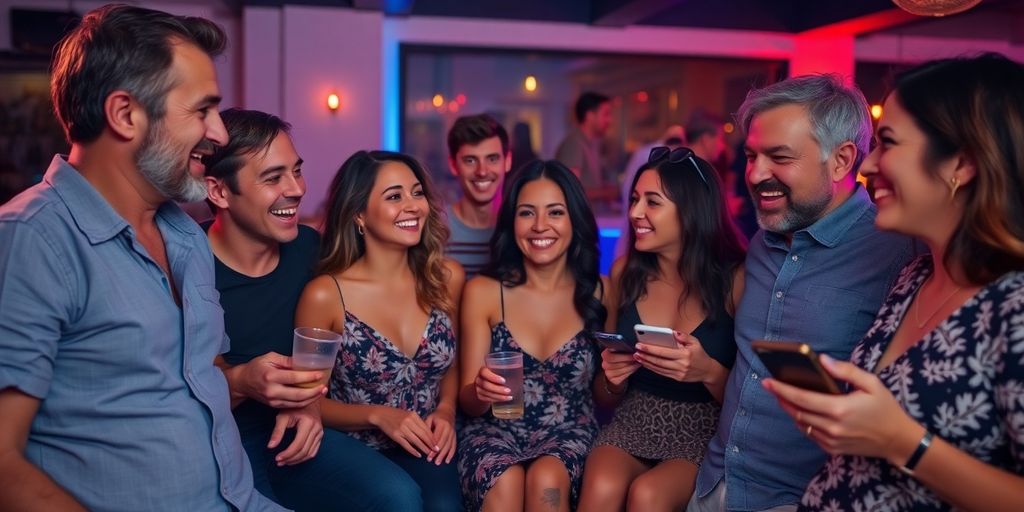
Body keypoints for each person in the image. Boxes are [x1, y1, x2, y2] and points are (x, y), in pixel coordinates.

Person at [0, 5, 281, 510]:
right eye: (202, 111)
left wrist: (266, 388)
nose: (219, 133)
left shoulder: (185, 234)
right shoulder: (31, 238)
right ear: (125, 114)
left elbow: (198, 378)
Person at [764, 54, 1024, 512]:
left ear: (960, 164)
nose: (868, 166)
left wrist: (905, 442)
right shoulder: (914, 277)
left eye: (888, 143)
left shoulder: (1013, 306)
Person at [689, 74, 919, 512]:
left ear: (841, 160)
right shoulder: (762, 241)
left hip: (801, 500)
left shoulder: (898, 253)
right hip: (714, 484)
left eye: (779, 157)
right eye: (752, 155)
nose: (755, 174)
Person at [204, 108, 424, 510]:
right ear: (218, 192)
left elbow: (372, 302)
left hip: (300, 428)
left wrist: (309, 406)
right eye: (273, 178)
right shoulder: (187, 264)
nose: (297, 188)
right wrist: (241, 381)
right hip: (219, 437)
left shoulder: (310, 250)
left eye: (297, 171)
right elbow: (177, 386)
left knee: (398, 496)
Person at [579, 146, 747, 511]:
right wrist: (612, 379)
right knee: (602, 483)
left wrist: (708, 371)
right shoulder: (625, 272)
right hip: (635, 417)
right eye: (635, 199)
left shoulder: (736, 279)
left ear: (691, 211)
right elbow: (605, 397)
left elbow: (752, 401)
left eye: (652, 202)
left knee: (648, 495)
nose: (635, 212)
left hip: (703, 428)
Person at [296, 150, 465, 511]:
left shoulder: (445, 278)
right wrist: (377, 415)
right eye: (394, 196)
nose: (413, 206)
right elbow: (308, 401)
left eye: (417, 193)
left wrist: (447, 410)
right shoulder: (327, 294)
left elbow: (451, 364)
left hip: (425, 443)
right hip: (351, 446)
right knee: (400, 502)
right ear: (359, 214)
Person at [457, 160, 609, 511]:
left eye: (555, 212)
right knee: (505, 480)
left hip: (570, 431)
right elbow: (468, 402)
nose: (540, 226)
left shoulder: (601, 292)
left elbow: (605, 398)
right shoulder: (483, 291)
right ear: (512, 222)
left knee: (547, 480)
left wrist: (615, 380)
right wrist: (480, 391)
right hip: (492, 432)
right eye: (527, 213)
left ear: (575, 220)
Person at [446, 113, 512, 277]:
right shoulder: (433, 229)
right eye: (470, 160)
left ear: (508, 161)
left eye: (492, 159)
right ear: (453, 165)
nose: (482, 171)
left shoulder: (521, 228)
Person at [555, 91, 613, 195]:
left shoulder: (592, 144)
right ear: (589, 115)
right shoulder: (574, 143)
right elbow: (570, 189)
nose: (610, 120)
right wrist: (607, 193)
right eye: (605, 114)